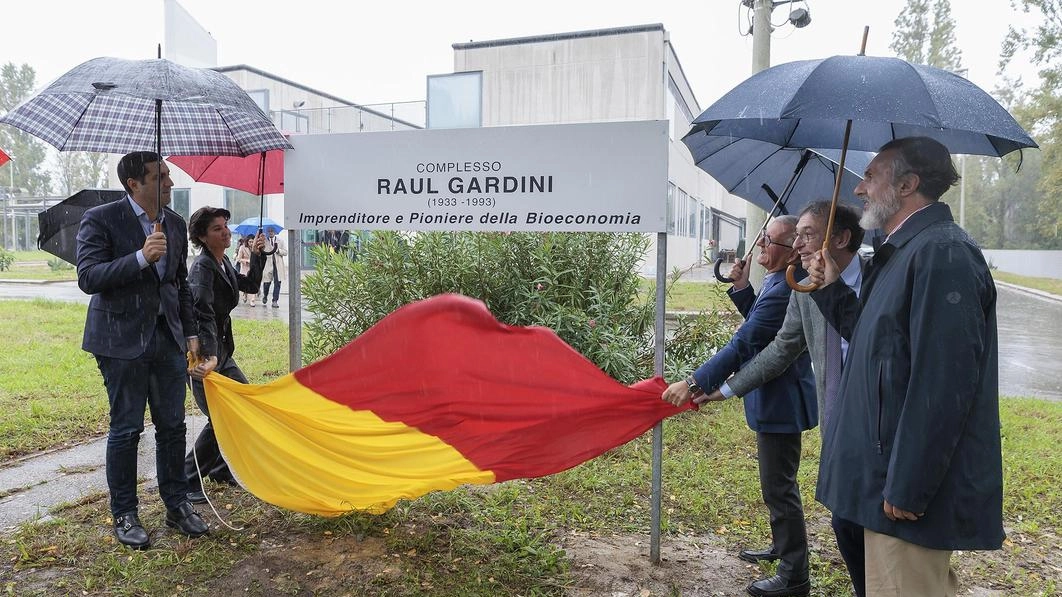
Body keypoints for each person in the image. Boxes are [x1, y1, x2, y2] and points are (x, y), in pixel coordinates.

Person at [806, 136, 1002, 597]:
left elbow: (945, 383)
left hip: (902, 496)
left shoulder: (942, 254)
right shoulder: (901, 252)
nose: (858, 190)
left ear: (908, 184)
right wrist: (831, 288)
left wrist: (910, 486)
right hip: (879, 479)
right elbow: (878, 346)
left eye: (871, 176)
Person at [701, 200, 868, 597]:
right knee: (842, 519)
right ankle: (798, 560)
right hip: (831, 414)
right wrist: (724, 389)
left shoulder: (878, 281)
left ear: (841, 238)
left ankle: (797, 573)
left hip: (813, 407)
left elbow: (751, 339)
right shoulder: (798, 285)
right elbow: (777, 341)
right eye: (792, 238)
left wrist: (703, 381)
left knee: (792, 493)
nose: (797, 247)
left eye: (805, 236)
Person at [662, 215, 817, 597]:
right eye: (762, 238)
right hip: (772, 397)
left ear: (789, 249)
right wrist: (744, 288)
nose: (760, 245)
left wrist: (696, 381)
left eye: (768, 241)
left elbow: (745, 344)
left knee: (779, 488)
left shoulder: (784, 289)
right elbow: (759, 325)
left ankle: (794, 572)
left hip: (781, 401)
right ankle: (782, 548)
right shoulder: (777, 283)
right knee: (776, 485)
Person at [75, 151, 208, 549]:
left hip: (167, 340)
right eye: (160, 176)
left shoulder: (177, 224)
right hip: (120, 342)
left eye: (168, 175)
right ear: (134, 183)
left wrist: (191, 333)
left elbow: (180, 283)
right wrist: (139, 256)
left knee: (173, 426)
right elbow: (88, 277)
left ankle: (177, 503)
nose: (169, 183)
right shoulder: (100, 219)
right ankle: (125, 512)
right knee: (127, 428)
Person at [184, 207, 266, 504]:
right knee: (222, 417)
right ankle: (188, 478)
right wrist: (208, 356)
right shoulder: (203, 268)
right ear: (203, 236)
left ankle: (220, 469)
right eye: (218, 228)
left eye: (226, 226)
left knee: (242, 405)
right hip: (202, 357)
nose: (226, 232)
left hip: (221, 352)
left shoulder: (222, 262)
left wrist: (258, 256)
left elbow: (251, 286)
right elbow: (201, 311)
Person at [260, 227, 286, 308]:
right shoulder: (264, 241)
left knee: (277, 283)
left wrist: (278, 250)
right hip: (268, 264)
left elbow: (285, 252)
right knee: (267, 283)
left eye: (272, 231)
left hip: (278, 265)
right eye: (269, 231)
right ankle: (265, 295)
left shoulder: (280, 241)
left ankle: (275, 300)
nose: (270, 232)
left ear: (274, 232)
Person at [235, 236, 254, 305]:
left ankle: (252, 300)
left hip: (253, 268)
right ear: (247, 241)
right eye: (250, 242)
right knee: (246, 283)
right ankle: (245, 294)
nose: (251, 243)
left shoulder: (256, 248)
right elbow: (239, 259)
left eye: (252, 241)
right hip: (245, 268)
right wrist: (246, 261)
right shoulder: (242, 248)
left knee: (253, 283)